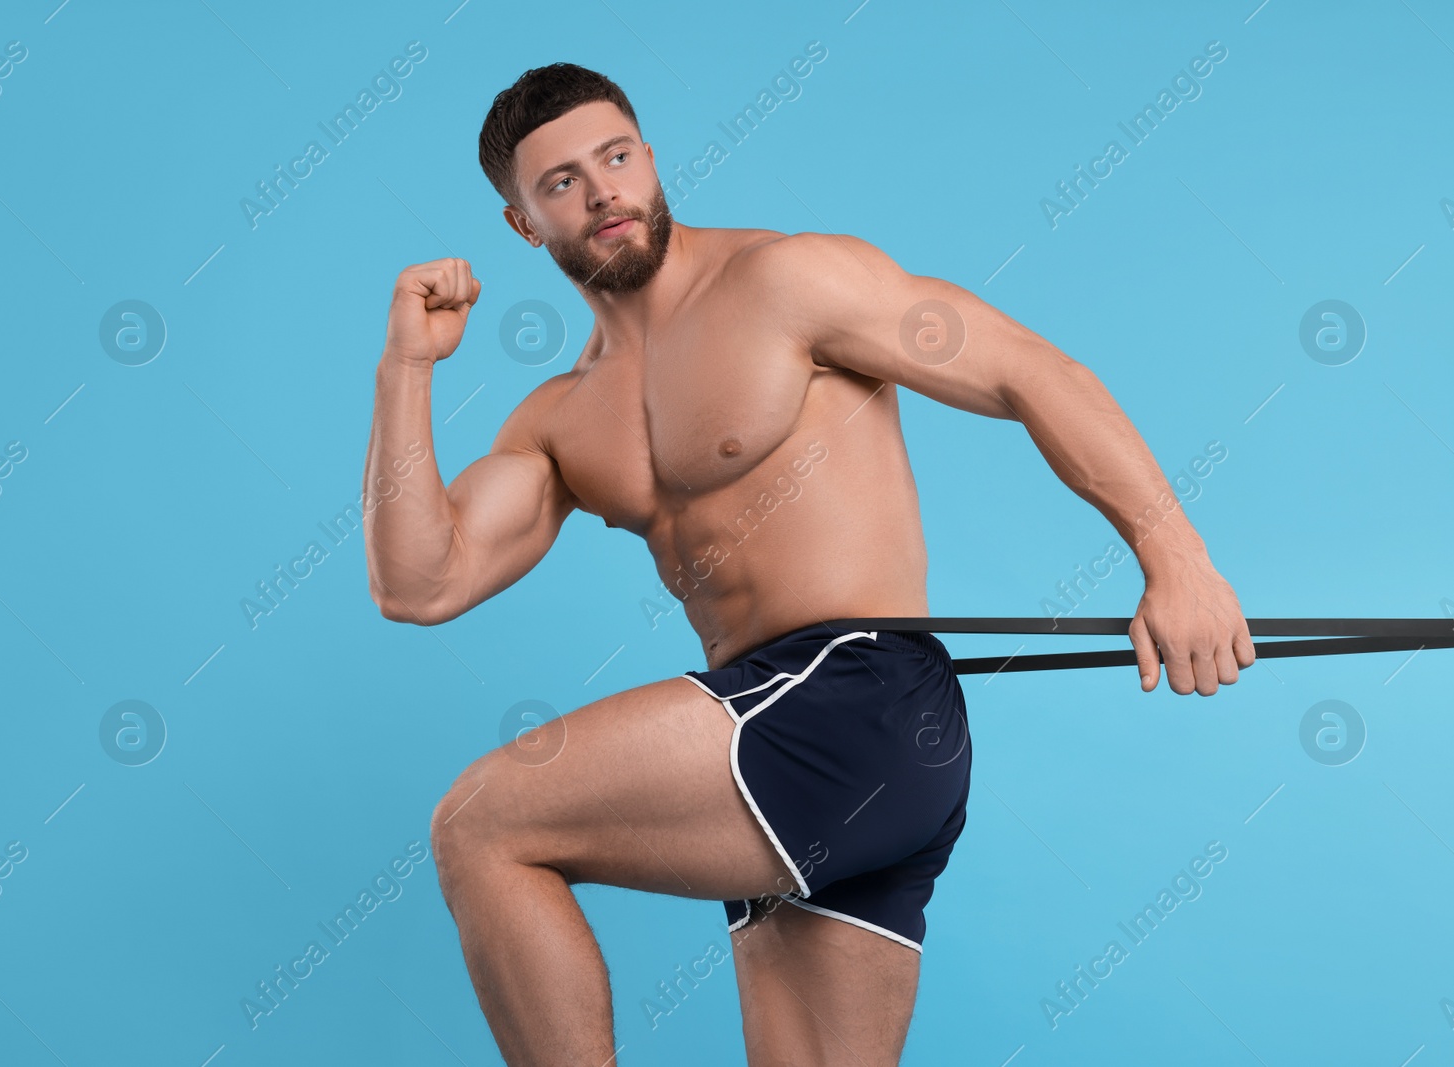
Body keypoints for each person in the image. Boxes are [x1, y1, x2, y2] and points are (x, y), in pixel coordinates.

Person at [362, 62, 1254, 1067]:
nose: (603, 189)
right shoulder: (561, 418)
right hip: (775, 739)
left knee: (480, 824)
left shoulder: (787, 281)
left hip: (853, 698)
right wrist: (406, 368)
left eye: (616, 157)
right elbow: (419, 581)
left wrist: (1176, 559)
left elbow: (1026, 370)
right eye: (561, 180)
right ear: (524, 222)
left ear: (650, 160)